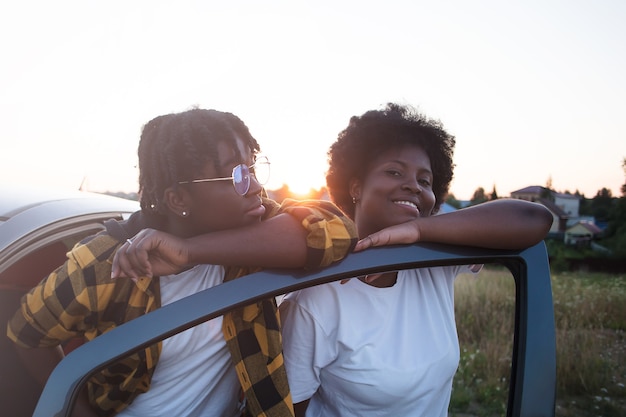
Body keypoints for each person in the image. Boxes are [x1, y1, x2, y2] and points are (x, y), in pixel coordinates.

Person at [7, 108, 356, 417]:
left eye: (251, 167)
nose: (253, 187)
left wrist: (189, 251)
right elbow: (26, 332)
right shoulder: (105, 262)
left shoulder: (254, 236)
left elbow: (336, 231)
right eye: (235, 175)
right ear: (177, 199)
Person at [278, 103, 553, 417]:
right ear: (355, 186)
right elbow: (290, 410)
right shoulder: (315, 301)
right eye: (394, 171)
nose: (413, 185)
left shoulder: (435, 263)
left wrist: (417, 229)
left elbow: (535, 219)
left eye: (425, 181)